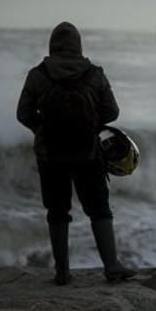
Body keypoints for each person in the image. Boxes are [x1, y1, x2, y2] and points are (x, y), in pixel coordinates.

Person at [16, 22, 136, 285]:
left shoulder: (38, 75)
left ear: (52, 45)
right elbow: (112, 112)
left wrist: (43, 130)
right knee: (99, 209)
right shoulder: (94, 74)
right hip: (88, 153)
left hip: (50, 155)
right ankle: (112, 266)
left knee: (57, 211)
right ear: (78, 45)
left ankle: (62, 272)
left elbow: (22, 114)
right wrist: (91, 124)